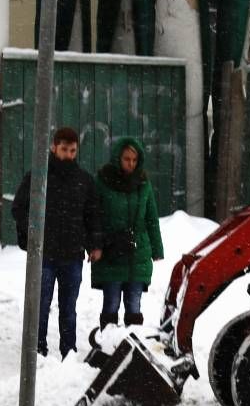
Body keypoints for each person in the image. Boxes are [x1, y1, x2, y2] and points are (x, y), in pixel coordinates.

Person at [11, 126, 100, 358]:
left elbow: (92, 216)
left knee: (68, 309)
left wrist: (93, 245)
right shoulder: (39, 177)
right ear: (53, 147)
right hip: (45, 254)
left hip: (72, 255)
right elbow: (19, 208)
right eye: (64, 149)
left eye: (72, 150)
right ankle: (36, 349)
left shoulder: (83, 181)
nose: (68, 155)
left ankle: (68, 351)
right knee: (41, 305)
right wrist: (29, 238)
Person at [90, 137, 164, 329]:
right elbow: (94, 215)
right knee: (111, 303)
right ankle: (108, 345)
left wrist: (157, 249)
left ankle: (132, 345)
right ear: (118, 158)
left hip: (137, 252)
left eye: (134, 160)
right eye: (126, 159)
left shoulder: (143, 184)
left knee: (134, 305)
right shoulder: (103, 181)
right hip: (112, 251)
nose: (131, 164)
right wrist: (96, 244)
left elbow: (151, 218)